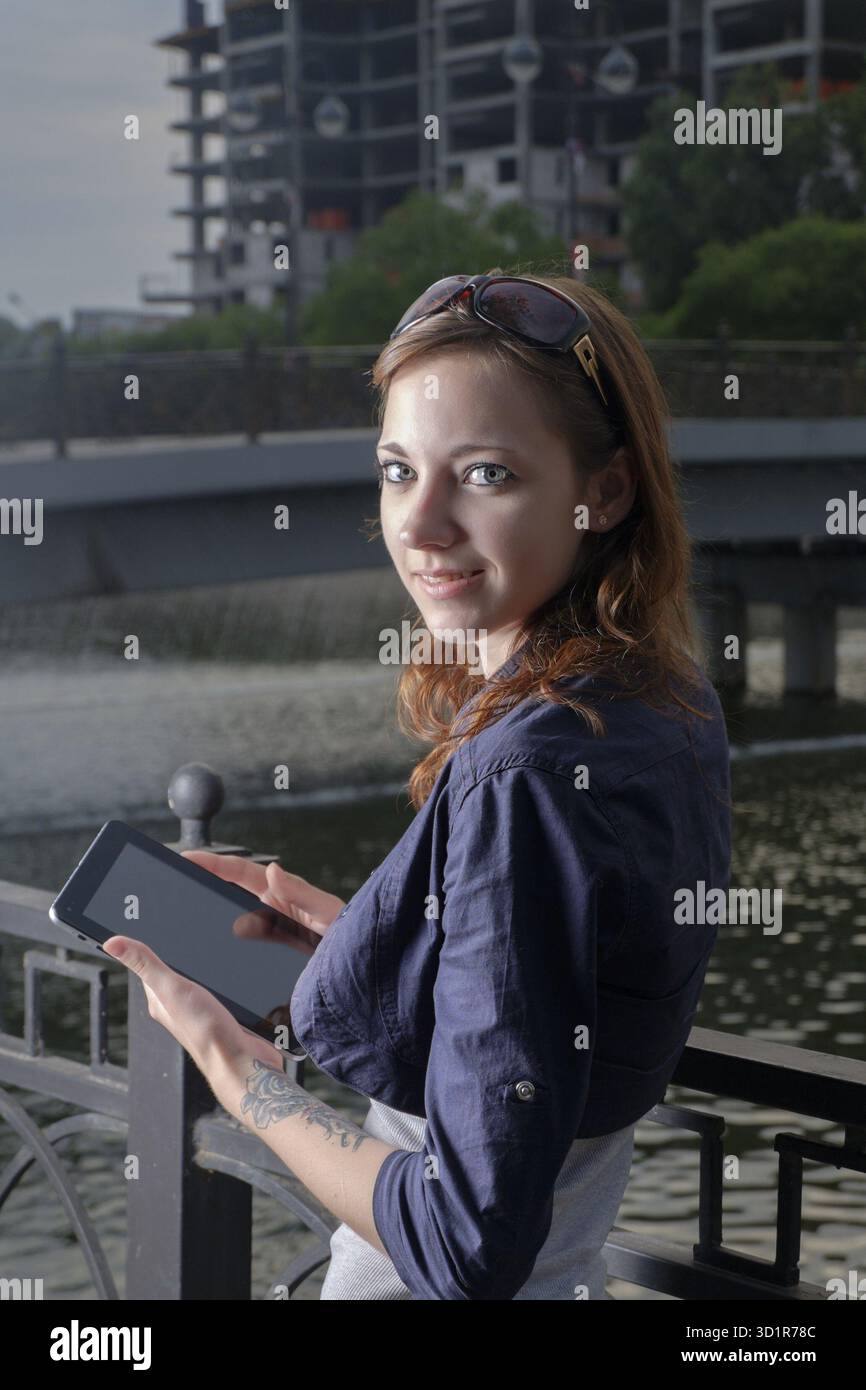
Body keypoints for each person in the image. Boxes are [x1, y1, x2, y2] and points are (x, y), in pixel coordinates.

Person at [104, 269, 732, 1302]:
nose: (421, 524)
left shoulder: (523, 765)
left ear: (605, 490)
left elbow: (460, 1241)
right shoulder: (659, 700)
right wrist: (374, 940)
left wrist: (241, 1081)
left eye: (483, 474)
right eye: (398, 470)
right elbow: (560, 993)